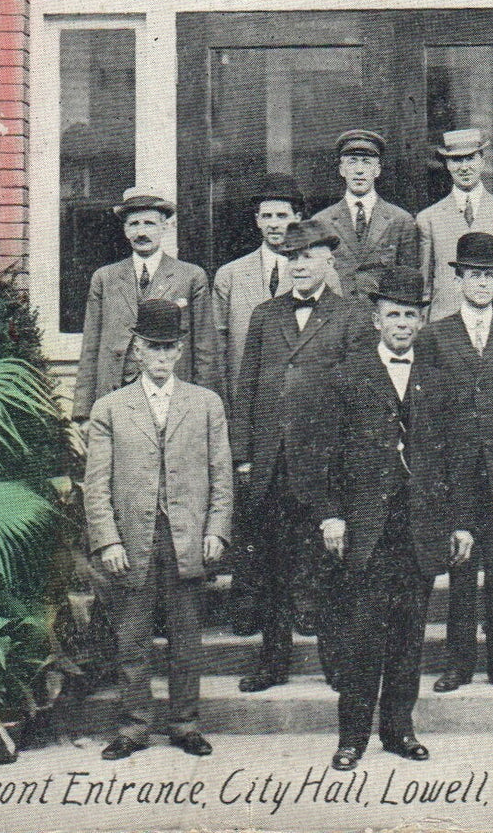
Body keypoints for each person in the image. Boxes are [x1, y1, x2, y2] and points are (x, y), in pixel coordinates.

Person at [317, 265, 473, 771]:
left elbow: (456, 458)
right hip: (368, 531)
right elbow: (329, 456)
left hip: (420, 530)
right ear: (376, 319)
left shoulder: (441, 381)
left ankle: (398, 729)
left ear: (420, 321)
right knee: (364, 636)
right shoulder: (347, 377)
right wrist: (333, 517)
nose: (402, 324)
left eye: (410, 315)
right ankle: (352, 737)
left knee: (409, 636)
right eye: (393, 315)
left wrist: (461, 522)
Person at [81, 299, 233, 760]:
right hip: (131, 540)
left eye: (169, 348)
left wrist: (216, 530)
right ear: (138, 351)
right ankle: (133, 727)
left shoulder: (206, 404)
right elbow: (97, 483)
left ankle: (185, 724)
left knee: (187, 639)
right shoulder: (111, 408)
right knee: (133, 639)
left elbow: (221, 475)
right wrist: (107, 539)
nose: (162, 357)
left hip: (187, 537)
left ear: (181, 350)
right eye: (153, 348)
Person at [230, 219, 368, 692]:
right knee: (271, 566)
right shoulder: (264, 315)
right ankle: (272, 660)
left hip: (323, 465)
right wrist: (245, 455)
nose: (300, 265)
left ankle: (337, 661)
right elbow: (246, 387)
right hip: (272, 463)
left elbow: (358, 395)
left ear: (330, 260)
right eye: (292, 257)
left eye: (309, 255)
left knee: (327, 565)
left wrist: (345, 465)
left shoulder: (351, 315)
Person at [418, 232, 493, 692]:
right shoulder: (434, 336)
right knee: (461, 570)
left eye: (490, 275)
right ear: (459, 278)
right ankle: (458, 663)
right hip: (457, 476)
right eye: (474, 275)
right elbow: (426, 414)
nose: (483, 283)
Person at [72, 187, 220, 421]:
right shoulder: (105, 278)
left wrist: (205, 406)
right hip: (116, 390)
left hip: (172, 392)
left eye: (149, 223)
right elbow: (90, 346)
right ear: (125, 230)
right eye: (134, 224)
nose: (141, 232)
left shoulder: (191, 277)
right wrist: (82, 411)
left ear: (165, 227)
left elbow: (205, 348)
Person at [212, 173, 340, 397]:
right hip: (245, 393)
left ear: (297, 217)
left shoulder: (323, 274)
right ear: (257, 220)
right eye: (266, 216)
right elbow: (218, 346)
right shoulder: (230, 275)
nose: (273, 224)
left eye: (281, 216)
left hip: (303, 396)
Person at [311, 129, 418, 298]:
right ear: (341, 169)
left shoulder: (400, 220)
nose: (359, 170)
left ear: (377, 170)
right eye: (352, 162)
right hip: (336, 318)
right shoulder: (321, 222)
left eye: (366, 162)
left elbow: (409, 281)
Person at [416, 128, 493, 322]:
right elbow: (424, 283)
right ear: (447, 165)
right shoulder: (429, 218)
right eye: (457, 160)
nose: (464, 167)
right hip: (444, 320)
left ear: (482, 161)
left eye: (470, 158)